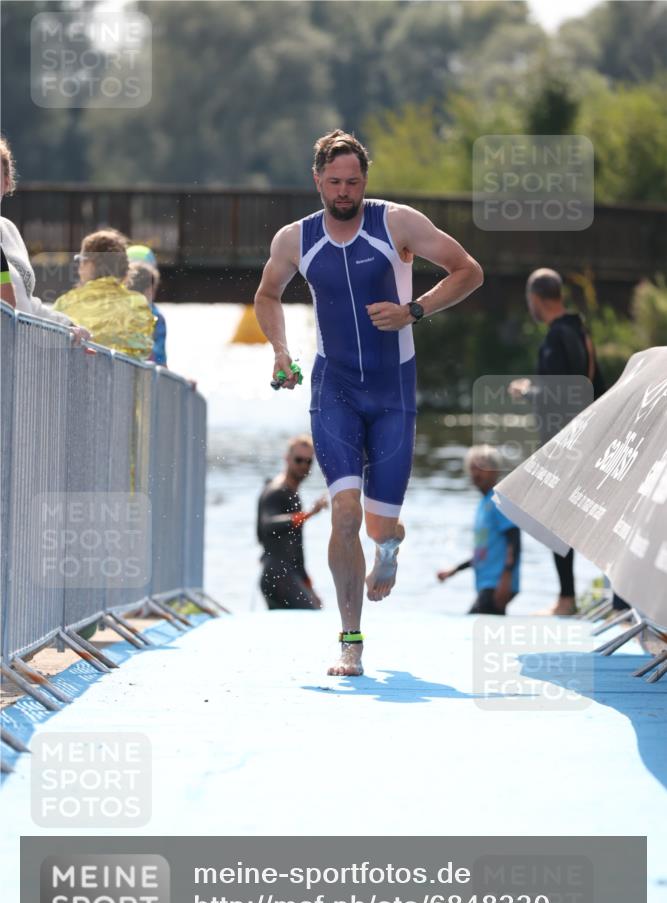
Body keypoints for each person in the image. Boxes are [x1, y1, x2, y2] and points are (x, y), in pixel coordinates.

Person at [255, 129, 483, 675]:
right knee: (344, 512)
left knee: (379, 526)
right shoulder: (295, 238)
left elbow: (469, 271)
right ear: (317, 181)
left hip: (392, 390)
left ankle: (388, 545)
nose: (343, 191)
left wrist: (415, 310)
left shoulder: (396, 223)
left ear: (365, 179)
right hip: (333, 386)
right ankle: (350, 641)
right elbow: (267, 294)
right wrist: (281, 350)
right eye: (333, 182)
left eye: (353, 181)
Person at [509, 268, 606, 615]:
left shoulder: (556, 337)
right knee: (584, 519)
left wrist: (526, 390)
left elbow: (560, 392)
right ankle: (607, 598)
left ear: (535, 299)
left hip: (565, 443)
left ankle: (567, 599)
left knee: (556, 519)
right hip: (587, 438)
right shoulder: (580, 331)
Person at [0, 135, 88, 341]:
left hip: (17, 358)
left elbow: (26, 304)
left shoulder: (9, 230)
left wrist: (67, 326)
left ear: (6, 182)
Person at [437, 445, 521, 614]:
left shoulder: (500, 500)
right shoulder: (484, 504)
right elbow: (482, 552)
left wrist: (507, 578)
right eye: (472, 468)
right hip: (486, 584)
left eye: (481, 467)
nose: (476, 473)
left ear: (494, 470)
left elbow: (514, 538)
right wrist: (455, 570)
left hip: (497, 583)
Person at [54, 229, 155, 360]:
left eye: (81, 260)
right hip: (122, 380)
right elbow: (144, 351)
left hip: (72, 378)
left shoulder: (65, 302)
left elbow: (50, 339)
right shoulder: (138, 303)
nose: (79, 267)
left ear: (90, 263)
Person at [257, 435, 328, 610]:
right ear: (287, 459)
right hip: (276, 576)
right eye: (298, 460)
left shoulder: (292, 492)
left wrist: (308, 584)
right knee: (311, 619)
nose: (303, 465)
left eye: (308, 461)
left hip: (289, 574)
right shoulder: (276, 490)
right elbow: (267, 525)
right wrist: (309, 514)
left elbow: (295, 548)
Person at [126, 260, 168, 365]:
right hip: (145, 376)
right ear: (150, 290)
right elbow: (159, 359)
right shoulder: (156, 317)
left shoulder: (115, 312)